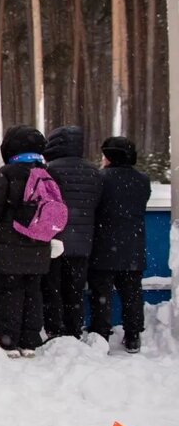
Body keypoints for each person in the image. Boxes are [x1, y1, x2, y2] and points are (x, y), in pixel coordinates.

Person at [0, 126, 61, 357]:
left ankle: (9, 342)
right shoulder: (47, 174)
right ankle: (29, 341)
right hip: (39, 246)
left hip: (8, 247)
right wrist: (56, 238)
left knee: (11, 294)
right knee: (33, 294)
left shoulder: (7, 174)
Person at [88, 136, 151, 353]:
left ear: (109, 156)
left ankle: (101, 334)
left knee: (101, 294)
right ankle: (133, 335)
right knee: (132, 293)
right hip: (133, 245)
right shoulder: (142, 180)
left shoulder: (100, 178)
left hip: (103, 245)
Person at [42, 126, 101, 340]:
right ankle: (74, 328)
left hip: (55, 240)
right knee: (75, 289)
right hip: (83, 242)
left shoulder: (50, 170)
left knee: (53, 288)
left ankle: (55, 328)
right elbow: (97, 204)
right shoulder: (94, 171)